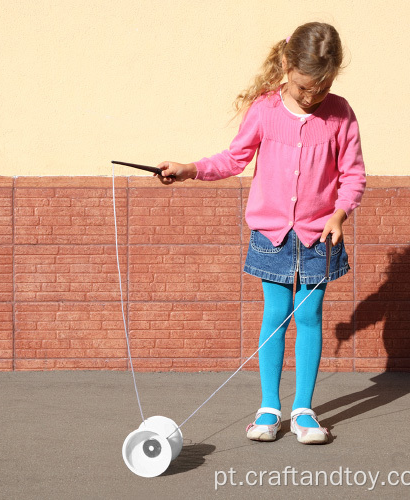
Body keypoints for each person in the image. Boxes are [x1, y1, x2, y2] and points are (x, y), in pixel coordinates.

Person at [155, 22, 366, 444]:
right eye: (305, 88)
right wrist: (189, 169)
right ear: (288, 66)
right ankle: (269, 407)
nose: (311, 97)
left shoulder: (340, 114)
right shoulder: (265, 109)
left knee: (307, 316)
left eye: (321, 89)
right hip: (271, 235)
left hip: (318, 236)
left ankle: (304, 410)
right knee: (275, 317)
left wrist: (340, 214)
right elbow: (234, 159)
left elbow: (353, 174)